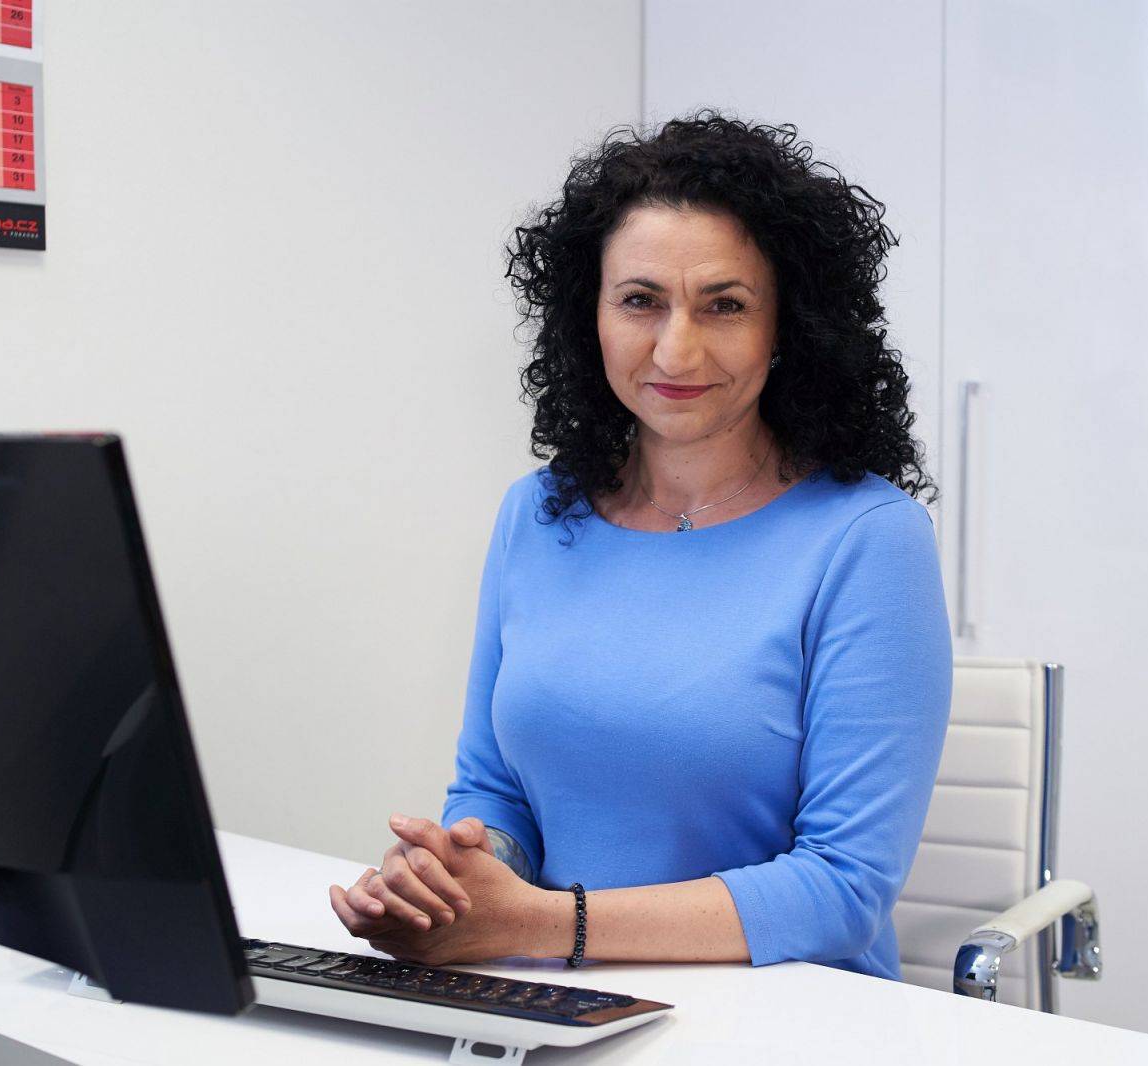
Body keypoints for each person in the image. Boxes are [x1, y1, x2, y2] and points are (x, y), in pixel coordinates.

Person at [327, 111, 952, 980]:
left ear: (788, 326)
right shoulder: (536, 514)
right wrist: (452, 880)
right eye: (640, 301)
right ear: (590, 316)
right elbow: (496, 793)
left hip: (786, 1017)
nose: (676, 349)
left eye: (725, 305)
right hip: (559, 1003)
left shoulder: (868, 540)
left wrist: (544, 922)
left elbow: (843, 890)